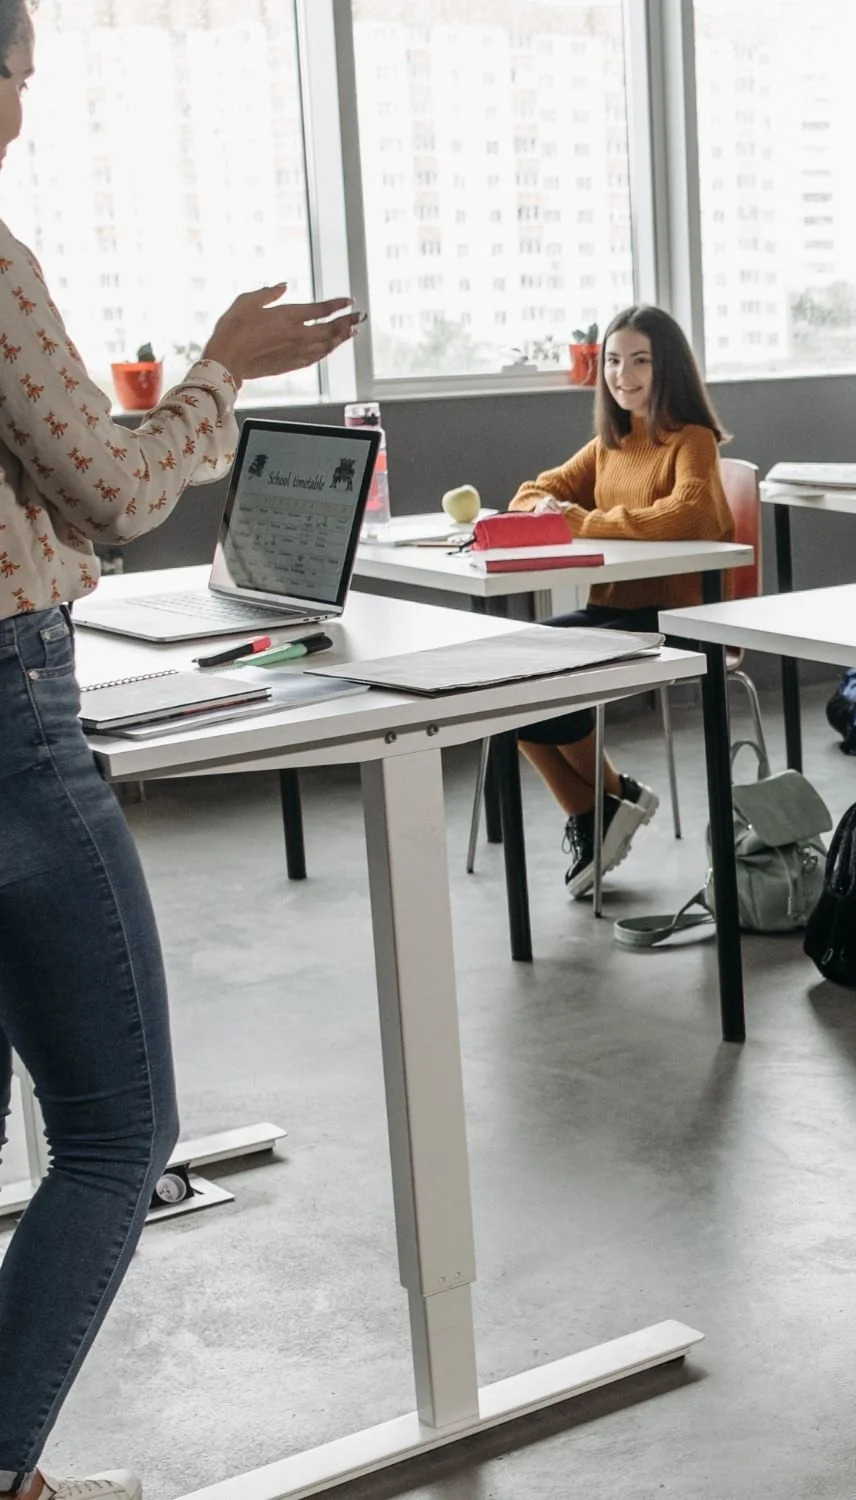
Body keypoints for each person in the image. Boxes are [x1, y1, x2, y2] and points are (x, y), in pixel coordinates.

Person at [0, 8, 360, 1493]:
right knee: (114, 1127)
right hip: (11, 722)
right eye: (20, 75)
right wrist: (220, 366)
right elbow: (115, 491)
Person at [506, 305, 734, 898]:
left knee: (549, 682)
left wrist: (584, 521)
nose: (622, 374)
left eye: (639, 361)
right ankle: (600, 805)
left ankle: (603, 808)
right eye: (611, 360)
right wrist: (549, 512)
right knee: (505, 673)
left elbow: (689, 513)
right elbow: (531, 491)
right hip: (613, 611)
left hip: (682, 619)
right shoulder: (610, 444)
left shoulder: (693, 440)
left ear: (669, 368)